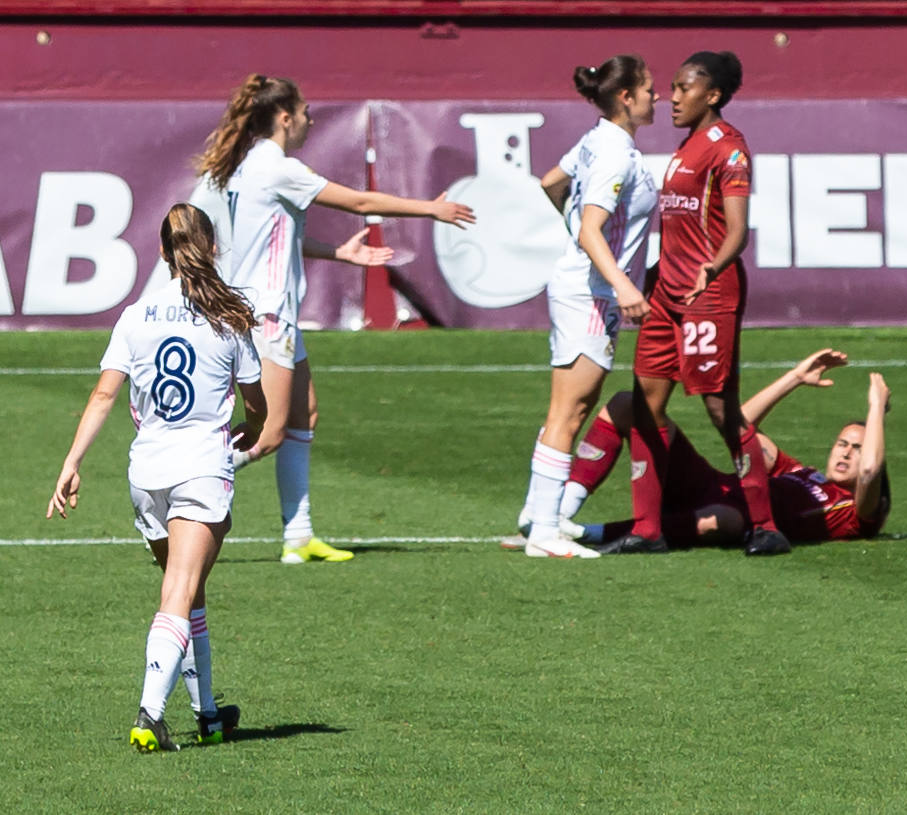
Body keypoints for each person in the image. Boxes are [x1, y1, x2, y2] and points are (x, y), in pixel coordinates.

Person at [198, 74, 475, 564]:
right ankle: (181, 481)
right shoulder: (277, 167)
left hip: (264, 309)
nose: (309, 119)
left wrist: (337, 254)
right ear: (284, 118)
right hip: (267, 315)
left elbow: (265, 239)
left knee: (304, 415)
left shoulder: (247, 166)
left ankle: (298, 537)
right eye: (304, 111)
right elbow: (361, 201)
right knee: (267, 435)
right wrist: (431, 209)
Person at [47, 203, 269, 752]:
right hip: (199, 469)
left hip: (146, 473)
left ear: (163, 252)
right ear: (211, 248)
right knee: (179, 592)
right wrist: (252, 426)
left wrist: (71, 461)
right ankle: (149, 714)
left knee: (188, 593)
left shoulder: (135, 315)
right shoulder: (230, 317)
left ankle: (209, 714)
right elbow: (257, 404)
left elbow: (104, 394)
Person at [620, 50, 792, 557]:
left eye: (683, 88)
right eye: (670, 87)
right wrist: (651, 277)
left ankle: (765, 525)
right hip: (665, 297)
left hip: (707, 298)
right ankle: (645, 530)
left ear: (712, 94)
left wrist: (710, 269)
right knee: (644, 406)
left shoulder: (728, 149)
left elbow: (736, 231)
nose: (671, 97)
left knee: (721, 410)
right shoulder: (685, 147)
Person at [509, 349, 889, 553]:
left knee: (724, 520)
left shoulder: (854, 512)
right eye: (842, 443)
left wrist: (876, 409)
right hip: (707, 485)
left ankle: (585, 533)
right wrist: (794, 378)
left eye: (856, 448)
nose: (845, 453)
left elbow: (870, 471)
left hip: (722, 515)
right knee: (629, 404)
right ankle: (558, 515)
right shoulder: (801, 473)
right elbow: (739, 423)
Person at [516, 55, 659, 559]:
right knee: (571, 410)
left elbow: (551, 183)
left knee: (567, 407)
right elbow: (589, 228)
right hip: (591, 293)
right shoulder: (615, 153)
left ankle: (540, 517)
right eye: (649, 89)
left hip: (581, 285)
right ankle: (545, 534)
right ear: (626, 97)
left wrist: (584, 246)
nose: (656, 97)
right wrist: (622, 284)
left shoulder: (597, 139)